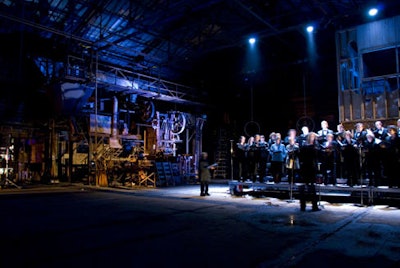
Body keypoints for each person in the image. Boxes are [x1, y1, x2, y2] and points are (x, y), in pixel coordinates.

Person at [298, 132, 320, 211]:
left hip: (307, 167)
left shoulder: (305, 147)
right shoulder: (312, 147)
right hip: (309, 167)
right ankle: (312, 206)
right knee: (309, 187)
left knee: (308, 186)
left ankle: (304, 206)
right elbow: (316, 156)